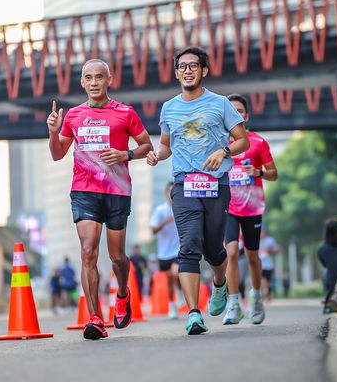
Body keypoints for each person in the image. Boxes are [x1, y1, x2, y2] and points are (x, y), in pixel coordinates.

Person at [47, 59, 153, 340]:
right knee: (88, 250)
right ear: (82, 82)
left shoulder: (125, 113)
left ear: (109, 79)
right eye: (88, 78)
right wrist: (53, 132)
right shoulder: (74, 115)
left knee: (117, 257)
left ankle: (122, 293)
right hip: (84, 190)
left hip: (117, 191)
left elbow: (147, 145)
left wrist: (125, 154)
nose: (94, 82)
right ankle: (95, 317)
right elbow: (57, 154)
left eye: (99, 77)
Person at [146, 46, 249, 336]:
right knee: (189, 245)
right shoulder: (169, 108)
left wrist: (223, 150)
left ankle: (219, 283)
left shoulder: (220, 104)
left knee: (214, 249)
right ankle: (193, 313)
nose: (187, 70)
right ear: (176, 73)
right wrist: (156, 155)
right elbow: (166, 145)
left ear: (204, 70)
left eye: (193, 65)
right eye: (182, 66)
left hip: (216, 184)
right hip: (183, 185)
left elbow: (243, 141)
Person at [222, 94, 278, 326]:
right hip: (228, 207)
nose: (235, 115)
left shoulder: (258, 142)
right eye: (231, 111)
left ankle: (256, 298)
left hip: (252, 207)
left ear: (246, 116)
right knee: (231, 252)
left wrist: (258, 173)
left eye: (239, 111)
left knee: (252, 256)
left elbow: (273, 174)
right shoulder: (219, 143)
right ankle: (234, 304)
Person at [150, 181, 181, 319]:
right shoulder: (160, 210)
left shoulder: (182, 208)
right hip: (164, 252)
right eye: (169, 191)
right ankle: (172, 305)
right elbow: (153, 230)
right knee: (169, 280)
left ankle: (180, 291)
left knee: (176, 272)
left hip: (178, 249)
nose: (171, 194)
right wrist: (165, 222)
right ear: (166, 193)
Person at [259, 228, 280, 303]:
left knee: (268, 282)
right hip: (259, 265)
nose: (261, 234)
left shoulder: (270, 240)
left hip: (269, 265)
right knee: (261, 280)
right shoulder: (255, 240)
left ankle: (267, 295)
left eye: (262, 232)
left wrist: (270, 250)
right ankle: (262, 294)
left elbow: (277, 250)